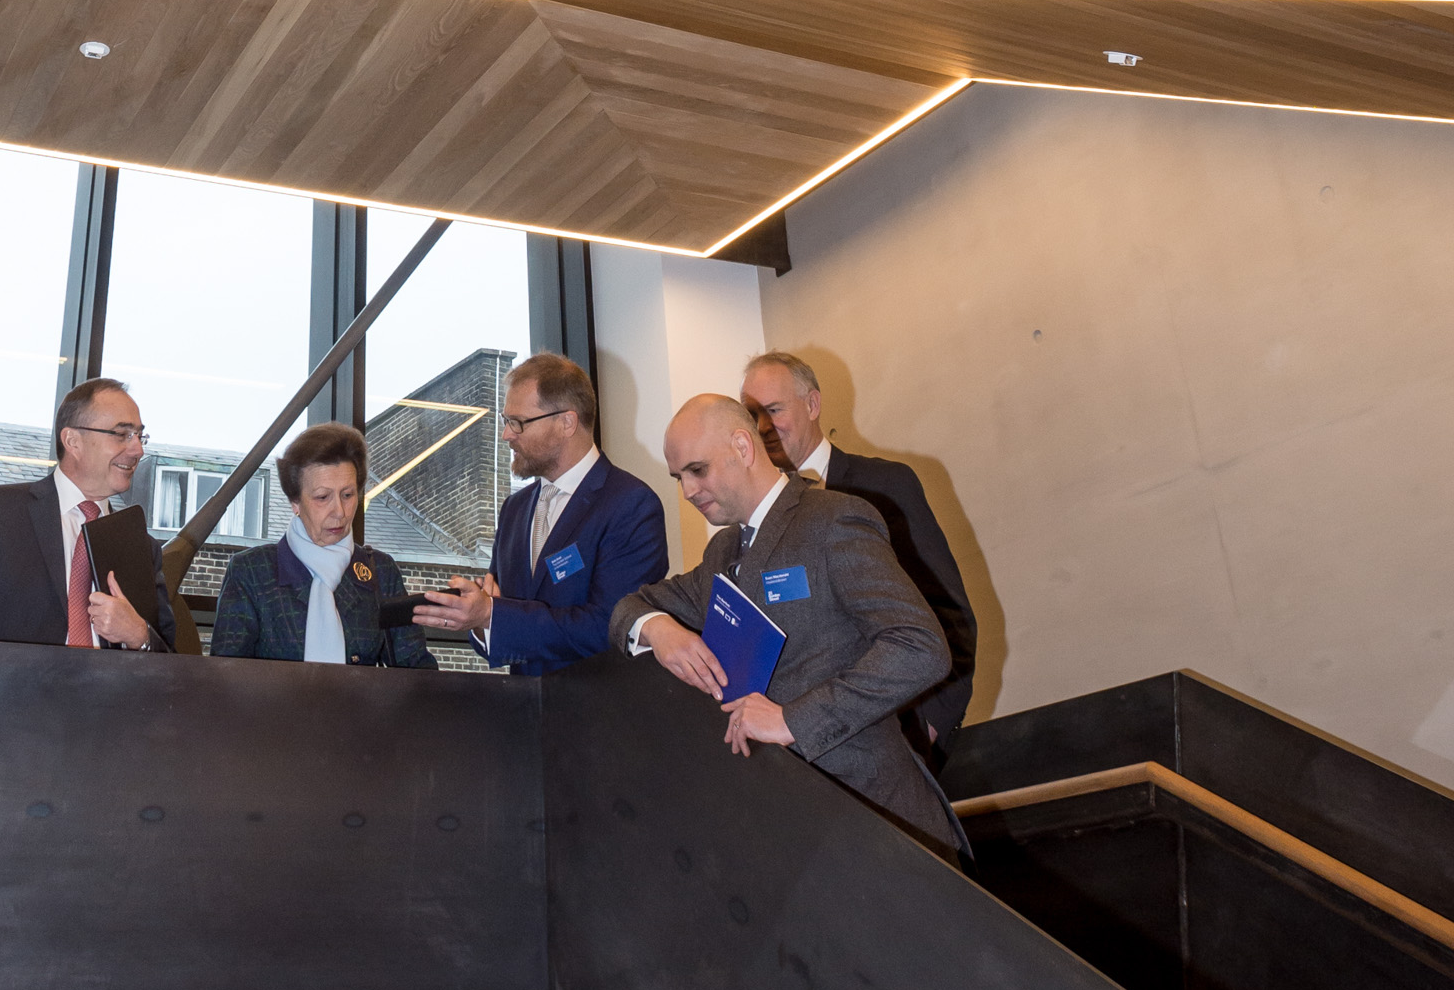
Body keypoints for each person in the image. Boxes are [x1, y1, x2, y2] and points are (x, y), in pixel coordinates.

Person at [611, 392, 964, 855]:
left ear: (742, 446)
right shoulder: (722, 553)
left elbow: (921, 647)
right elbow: (628, 609)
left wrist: (792, 720)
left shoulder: (833, 519)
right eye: (679, 478)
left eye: (698, 470)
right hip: (786, 824)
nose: (688, 491)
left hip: (876, 818)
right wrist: (660, 630)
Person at [741, 349, 976, 757]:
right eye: (751, 415)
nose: (763, 427)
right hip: (802, 753)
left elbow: (948, 615)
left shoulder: (885, 485)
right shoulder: (754, 519)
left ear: (812, 404)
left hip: (895, 746)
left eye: (774, 410)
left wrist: (927, 729)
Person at [414, 352, 665, 674]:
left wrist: (492, 615)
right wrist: (478, 620)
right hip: (522, 712)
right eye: (507, 422)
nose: (506, 435)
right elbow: (498, 614)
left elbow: (613, 625)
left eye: (518, 422)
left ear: (567, 422)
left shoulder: (631, 505)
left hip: (598, 715)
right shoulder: (514, 509)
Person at [0, 376, 173, 648]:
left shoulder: (140, 548)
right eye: (122, 434)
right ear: (73, 441)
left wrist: (139, 635)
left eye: (139, 436)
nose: (137, 449)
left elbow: (175, 666)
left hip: (108, 691)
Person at [209, 423, 435, 666]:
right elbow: (226, 679)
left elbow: (417, 672)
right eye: (322, 497)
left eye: (347, 495)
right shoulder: (251, 572)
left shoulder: (379, 571)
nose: (339, 511)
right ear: (295, 501)